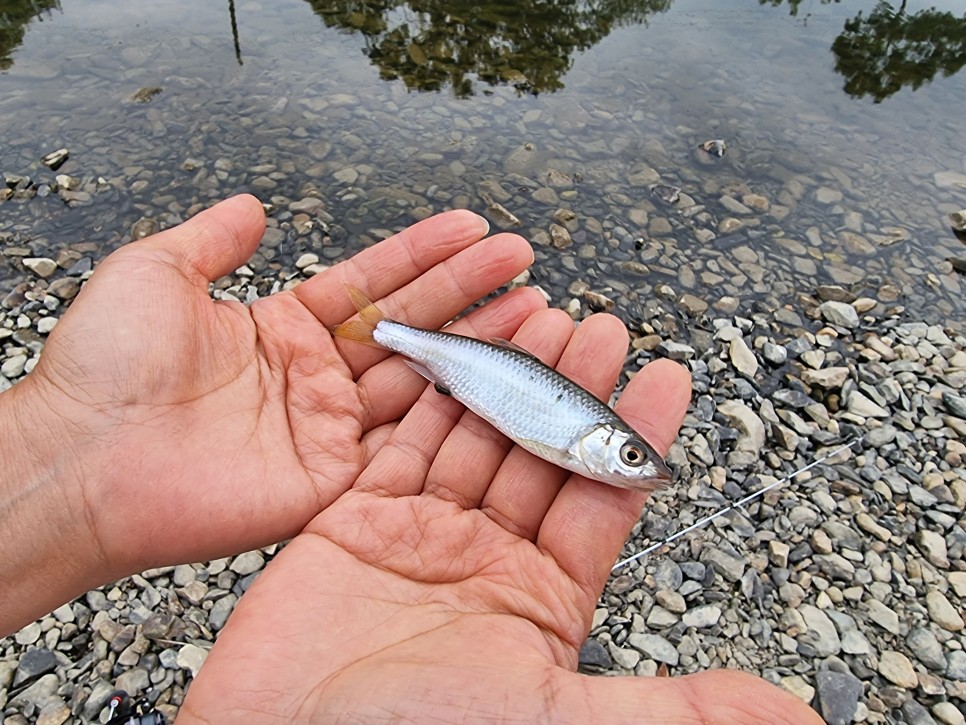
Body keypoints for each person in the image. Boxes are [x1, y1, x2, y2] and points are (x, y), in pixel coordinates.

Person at [0, 194, 819, 723]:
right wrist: (67, 442)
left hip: (468, 373)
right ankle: (389, 331)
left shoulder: (586, 444)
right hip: (454, 363)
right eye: (632, 453)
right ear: (608, 442)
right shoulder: (581, 444)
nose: (636, 463)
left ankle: (390, 332)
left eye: (633, 456)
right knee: (438, 337)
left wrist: (64, 461)